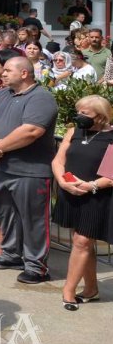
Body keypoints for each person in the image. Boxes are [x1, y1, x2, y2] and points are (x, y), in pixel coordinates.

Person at [0, 56, 59, 284]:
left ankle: (36, 266)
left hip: (30, 171)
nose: (3, 73)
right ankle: (11, 254)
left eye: (8, 70)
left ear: (24, 73)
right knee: (7, 215)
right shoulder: (2, 93)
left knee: (33, 220)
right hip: (0, 167)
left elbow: (31, 131)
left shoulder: (41, 98)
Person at [51, 95, 113, 309]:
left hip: (97, 197)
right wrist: (61, 180)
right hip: (71, 191)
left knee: (82, 242)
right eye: (79, 111)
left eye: (85, 113)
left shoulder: (112, 137)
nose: (80, 116)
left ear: (101, 116)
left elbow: (111, 175)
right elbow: (59, 159)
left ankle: (68, 290)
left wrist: (89, 186)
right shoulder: (73, 132)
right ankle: (91, 289)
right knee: (84, 242)